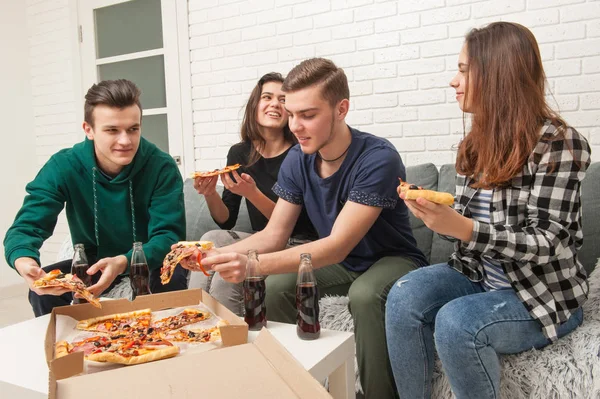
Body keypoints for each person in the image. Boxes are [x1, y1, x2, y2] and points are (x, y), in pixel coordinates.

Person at [183, 58, 427, 399]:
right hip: (340, 260)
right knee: (277, 287)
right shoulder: (299, 158)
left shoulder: (378, 157)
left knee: (365, 295)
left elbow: (338, 245)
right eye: (292, 113)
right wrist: (212, 255)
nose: (295, 125)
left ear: (341, 109)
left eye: (308, 115)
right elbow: (274, 235)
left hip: (391, 258)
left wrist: (251, 265)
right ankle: (298, 389)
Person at [385, 22, 591, 399]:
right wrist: (435, 216)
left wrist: (463, 229)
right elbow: (464, 230)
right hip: (479, 276)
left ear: (497, 73)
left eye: (463, 70)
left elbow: (548, 242)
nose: (453, 81)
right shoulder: (475, 144)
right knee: (404, 293)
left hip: (542, 294)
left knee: (457, 322)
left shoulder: (560, 143)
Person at [4, 79, 187, 317]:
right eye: (112, 130)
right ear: (88, 130)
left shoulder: (162, 166)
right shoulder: (64, 165)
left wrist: (123, 261)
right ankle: (66, 353)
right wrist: (25, 263)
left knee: (170, 286)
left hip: (152, 263)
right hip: (94, 264)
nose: (126, 140)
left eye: (133, 129)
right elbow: (27, 226)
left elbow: (169, 237)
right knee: (44, 296)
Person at [189, 72, 317, 315]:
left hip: (297, 242)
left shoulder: (300, 153)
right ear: (255, 105)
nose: (274, 104)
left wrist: (252, 193)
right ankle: (198, 319)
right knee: (209, 238)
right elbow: (226, 219)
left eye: (282, 99)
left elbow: (290, 225)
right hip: (261, 238)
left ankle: (233, 337)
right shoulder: (240, 153)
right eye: (267, 97)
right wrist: (209, 194)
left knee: (224, 275)